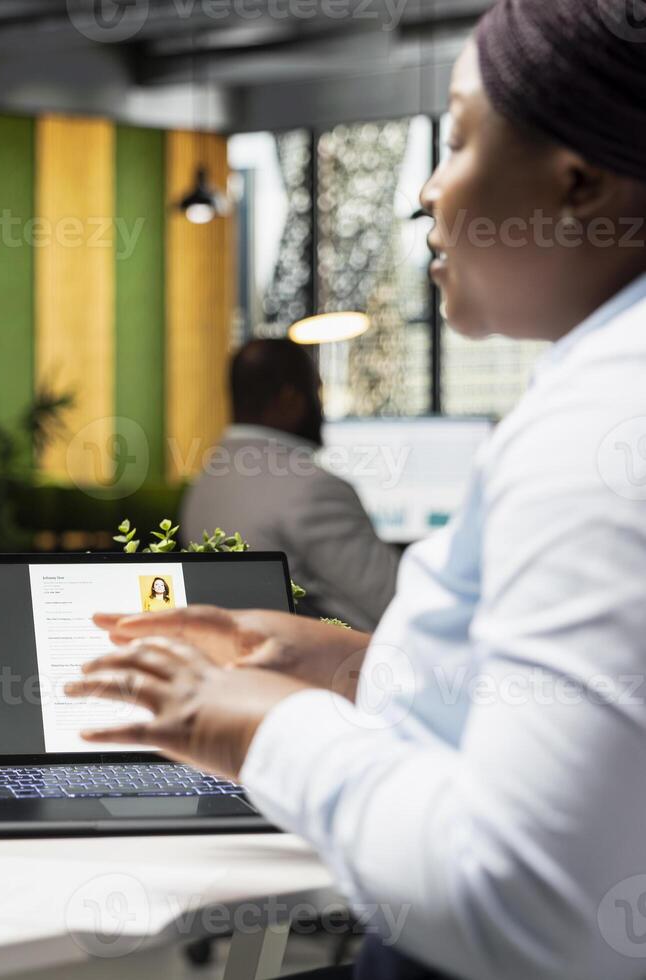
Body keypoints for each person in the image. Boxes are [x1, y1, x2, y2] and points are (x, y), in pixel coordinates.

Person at [68, 2, 646, 977]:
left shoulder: (597, 430)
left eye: (456, 137)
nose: (426, 191)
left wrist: (256, 725)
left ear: (577, 182)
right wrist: (357, 668)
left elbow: (528, 905)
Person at [180, 337, 400, 631]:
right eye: (317, 393)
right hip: (339, 668)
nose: (320, 409)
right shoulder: (314, 489)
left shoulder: (205, 481)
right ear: (289, 399)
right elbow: (398, 600)